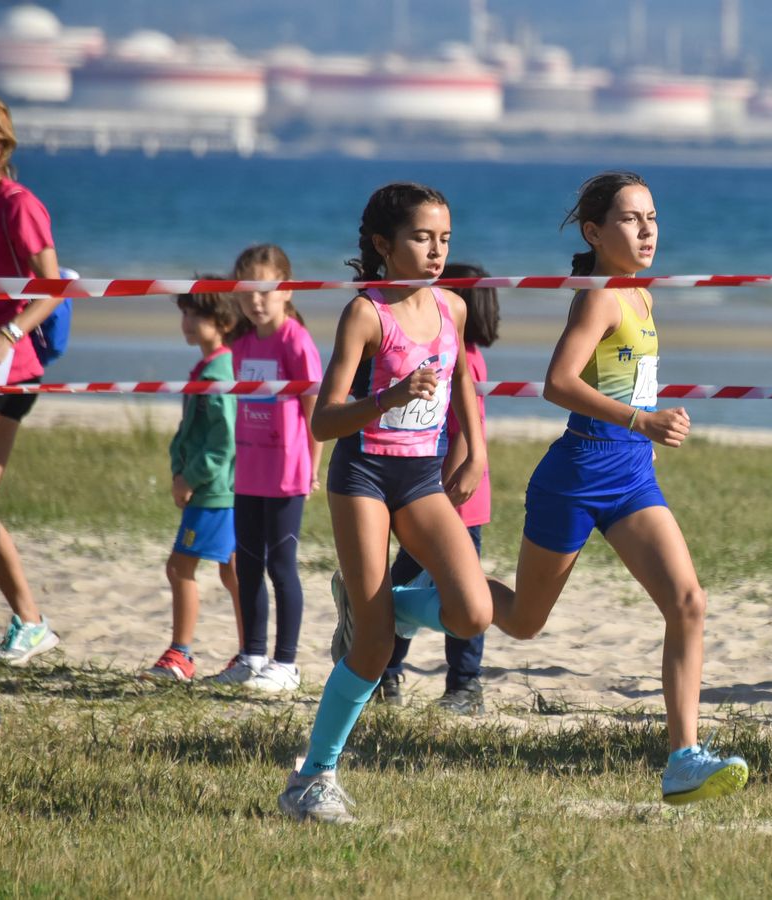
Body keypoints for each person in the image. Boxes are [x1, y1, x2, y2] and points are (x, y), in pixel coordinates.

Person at [391, 171, 750, 806]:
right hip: (577, 474)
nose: (647, 232)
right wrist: (643, 417)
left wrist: (649, 422)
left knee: (688, 602)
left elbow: (620, 379)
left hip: (632, 473)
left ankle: (682, 758)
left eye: (653, 219)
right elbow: (556, 382)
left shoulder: (640, 295)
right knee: (524, 621)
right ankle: (393, 607)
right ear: (595, 232)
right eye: (631, 220)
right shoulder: (601, 297)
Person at [278, 182, 494, 824]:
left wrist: (475, 449)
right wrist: (389, 399)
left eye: (445, 239)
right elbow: (324, 421)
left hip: (423, 478)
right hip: (364, 477)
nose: (435, 251)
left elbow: (460, 383)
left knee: (474, 611)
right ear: (382, 245)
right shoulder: (366, 314)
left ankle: (379, 605)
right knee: (371, 649)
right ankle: (313, 779)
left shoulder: (452, 308)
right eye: (422, 238)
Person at [375, 262, 499, 715]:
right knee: (402, 584)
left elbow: (468, 423)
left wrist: (463, 469)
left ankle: (465, 685)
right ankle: (386, 675)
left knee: (458, 590)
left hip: (455, 497)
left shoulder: (462, 356)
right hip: (429, 496)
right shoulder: (444, 350)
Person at [206, 245, 322, 693]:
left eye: (265, 289)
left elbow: (316, 410)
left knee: (281, 564)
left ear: (286, 289)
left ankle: (286, 663)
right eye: (247, 290)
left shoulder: (295, 340)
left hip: (287, 470)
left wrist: (313, 464)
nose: (256, 299)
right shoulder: (243, 342)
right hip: (249, 469)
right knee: (247, 564)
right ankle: (252, 656)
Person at [0, 98, 67, 666]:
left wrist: (11, 333)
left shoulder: (17, 204)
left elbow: (54, 286)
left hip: (9, 370)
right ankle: (29, 618)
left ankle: (31, 619)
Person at [148, 281, 243, 680]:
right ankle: (250, 650)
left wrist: (189, 477)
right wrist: (176, 466)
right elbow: (193, 430)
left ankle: (181, 653)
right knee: (234, 570)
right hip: (218, 488)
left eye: (196, 314)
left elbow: (224, 440)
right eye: (184, 313)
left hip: (214, 491)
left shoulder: (221, 369)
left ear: (222, 321)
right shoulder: (211, 365)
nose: (186, 321)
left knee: (180, 568)